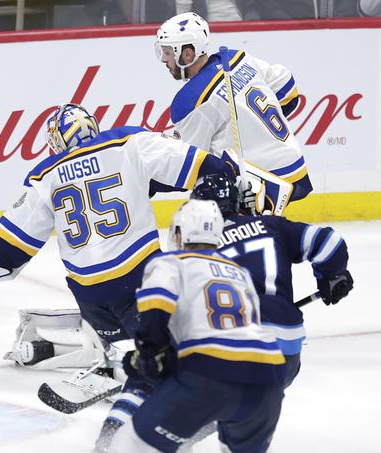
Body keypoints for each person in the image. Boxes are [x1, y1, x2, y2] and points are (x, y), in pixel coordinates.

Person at [0, 103, 236, 450]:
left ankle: (123, 365)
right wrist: (224, 175)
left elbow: (5, 255)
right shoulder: (128, 142)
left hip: (91, 298)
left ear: (56, 142)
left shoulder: (45, 175)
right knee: (174, 356)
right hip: (142, 279)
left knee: (139, 352)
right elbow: (203, 167)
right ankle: (145, 423)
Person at [110, 199, 287, 453]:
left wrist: (149, 353)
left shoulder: (171, 262)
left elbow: (155, 308)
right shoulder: (241, 273)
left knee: (130, 445)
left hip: (210, 372)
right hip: (268, 378)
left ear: (179, 233)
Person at [191, 173, 354, 386]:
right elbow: (331, 244)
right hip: (287, 346)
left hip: (233, 349)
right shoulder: (271, 225)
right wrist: (332, 276)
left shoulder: (196, 249)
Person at [155, 12, 313, 208]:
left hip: (260, 187)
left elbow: (187, 165)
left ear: (187, 54)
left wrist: (149, 180)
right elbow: (288, 91)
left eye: (168, 52)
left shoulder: (191, 100)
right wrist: (254, 128)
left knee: (208, 207)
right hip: (296, 167)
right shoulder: (237, 58)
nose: (163, 59)